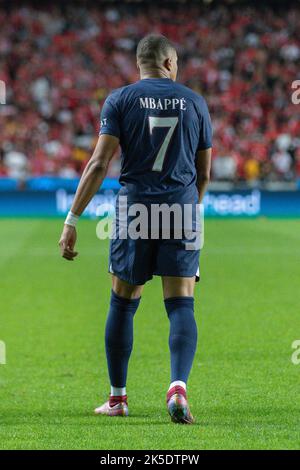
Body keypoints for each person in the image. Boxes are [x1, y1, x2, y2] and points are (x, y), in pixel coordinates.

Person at [59, 34, 212, 424]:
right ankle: (178, 385)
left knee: (123, 303)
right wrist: (189, 211)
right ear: (169, 63)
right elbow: (205, 172)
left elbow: (98, 164)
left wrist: (72, 219)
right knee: (181, 302)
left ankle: (118, 399)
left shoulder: (120, 100)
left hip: (135, 209)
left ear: (140, 64)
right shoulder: (195, 102)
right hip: (180, 205)